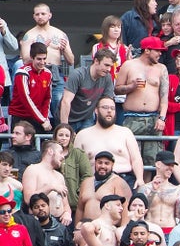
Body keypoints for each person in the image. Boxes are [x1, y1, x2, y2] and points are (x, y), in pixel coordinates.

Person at [113, 36, 170, 168]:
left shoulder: (162, 68)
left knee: (152, 159)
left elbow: (164, 97)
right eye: (158, 51)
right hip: (132, 118)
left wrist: (162, 118)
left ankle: (147, 186)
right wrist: (131, 87)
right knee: (131, 157)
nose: (160, 54)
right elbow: (116, 90)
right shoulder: (128, 65)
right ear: (147, 51)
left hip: (153, 119)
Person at [73, 99, 145, 191]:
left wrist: (139, 178)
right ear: (96, 110)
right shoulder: (82, 135)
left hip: (124, 179)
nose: (109, 111)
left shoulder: (125, 132)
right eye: (105, 107)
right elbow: (76, 164)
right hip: (94, 182)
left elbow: (136, 159)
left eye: (112, 108)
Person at [20, 3, 75, 121]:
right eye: (37, 14)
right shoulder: (29, 35)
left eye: (43, 14)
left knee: (59, 107)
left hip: (56, 74)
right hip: (36, 74)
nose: (40, 16)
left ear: (49, 15)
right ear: (33, 16)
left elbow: (71, 61)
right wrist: (40, 49)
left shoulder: (60, 34)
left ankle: (59, 136)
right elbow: (25, 60)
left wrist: (64, 50)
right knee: (36, 107)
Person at [59, 48, 116, 132]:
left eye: (111, 66)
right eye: (106, 65)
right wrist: (64, 127)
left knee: (86, 144)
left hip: (87, 118)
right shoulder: (78, 75)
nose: (109, 69)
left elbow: (107, 102)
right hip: (68, 118)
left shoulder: (107, 78)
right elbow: (66, 102)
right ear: (96, 61)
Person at [22, 140, 71, 226]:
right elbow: (28, 199)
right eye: (60, 152)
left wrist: (67, 213)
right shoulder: (33, 170)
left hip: (58, 223)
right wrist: (50, 187)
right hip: (39, 222)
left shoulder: (59, 176)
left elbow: (66, 204)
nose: (63, 156)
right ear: (50, 151)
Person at [9, 42, 52, 133]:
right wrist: (42, 120)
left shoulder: (48, 73)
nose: (42, 62)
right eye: (39, 59)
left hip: (37, 117)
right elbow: (26, 99)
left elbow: (47, 98)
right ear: (32, 58)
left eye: (44, 59)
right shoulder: (23, 72)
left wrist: (44, 118)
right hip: (20, 117)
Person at [52, 124, 92, 214]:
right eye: (60, 135)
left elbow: (87, 176)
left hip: (75, 204)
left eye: (67, 136)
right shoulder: (49, 153)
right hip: (54, 204)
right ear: (55, 136)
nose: (64, 138)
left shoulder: (78, 154)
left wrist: (79, 192)